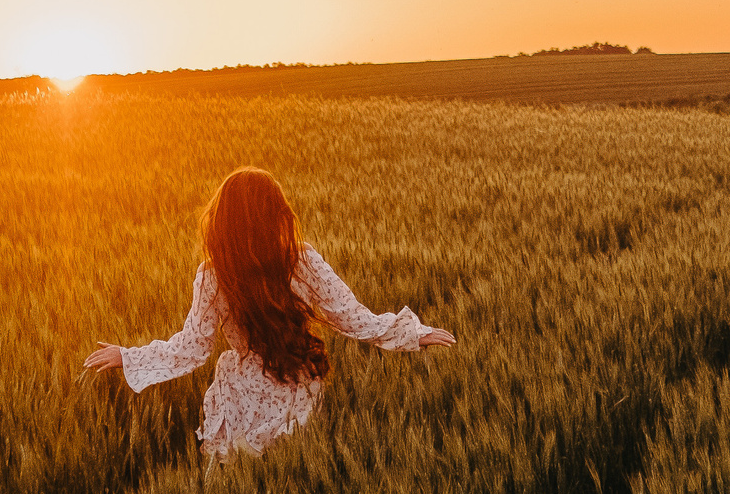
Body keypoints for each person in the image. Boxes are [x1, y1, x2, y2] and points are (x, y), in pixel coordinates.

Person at [83, 167, 456, 458]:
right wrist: (411, 333)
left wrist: (129, 357)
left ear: (223, 222)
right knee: (289, 475)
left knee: (235, 482)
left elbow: (192, 348)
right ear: (275, 215)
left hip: (240, 393)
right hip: (296, 384)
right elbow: (351, 316)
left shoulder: (214, 274)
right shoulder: (301, 258)